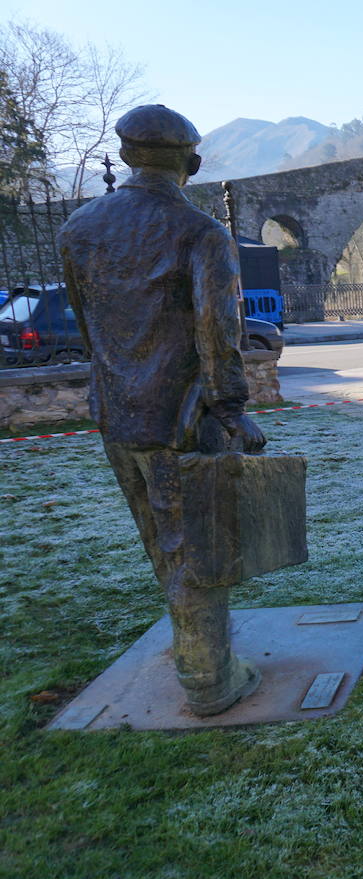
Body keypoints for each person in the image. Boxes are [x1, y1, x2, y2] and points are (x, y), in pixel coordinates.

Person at [58, 105, 268, 716]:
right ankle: (209, 679)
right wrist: (231, 410)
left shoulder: (78, 229)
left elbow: (89, 322)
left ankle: (190, 646)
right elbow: (216, 330)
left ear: (125, 158)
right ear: (193, 163)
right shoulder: (200, 232)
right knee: (197, 545)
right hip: (180, 420)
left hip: (117, 414)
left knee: (160, 541)